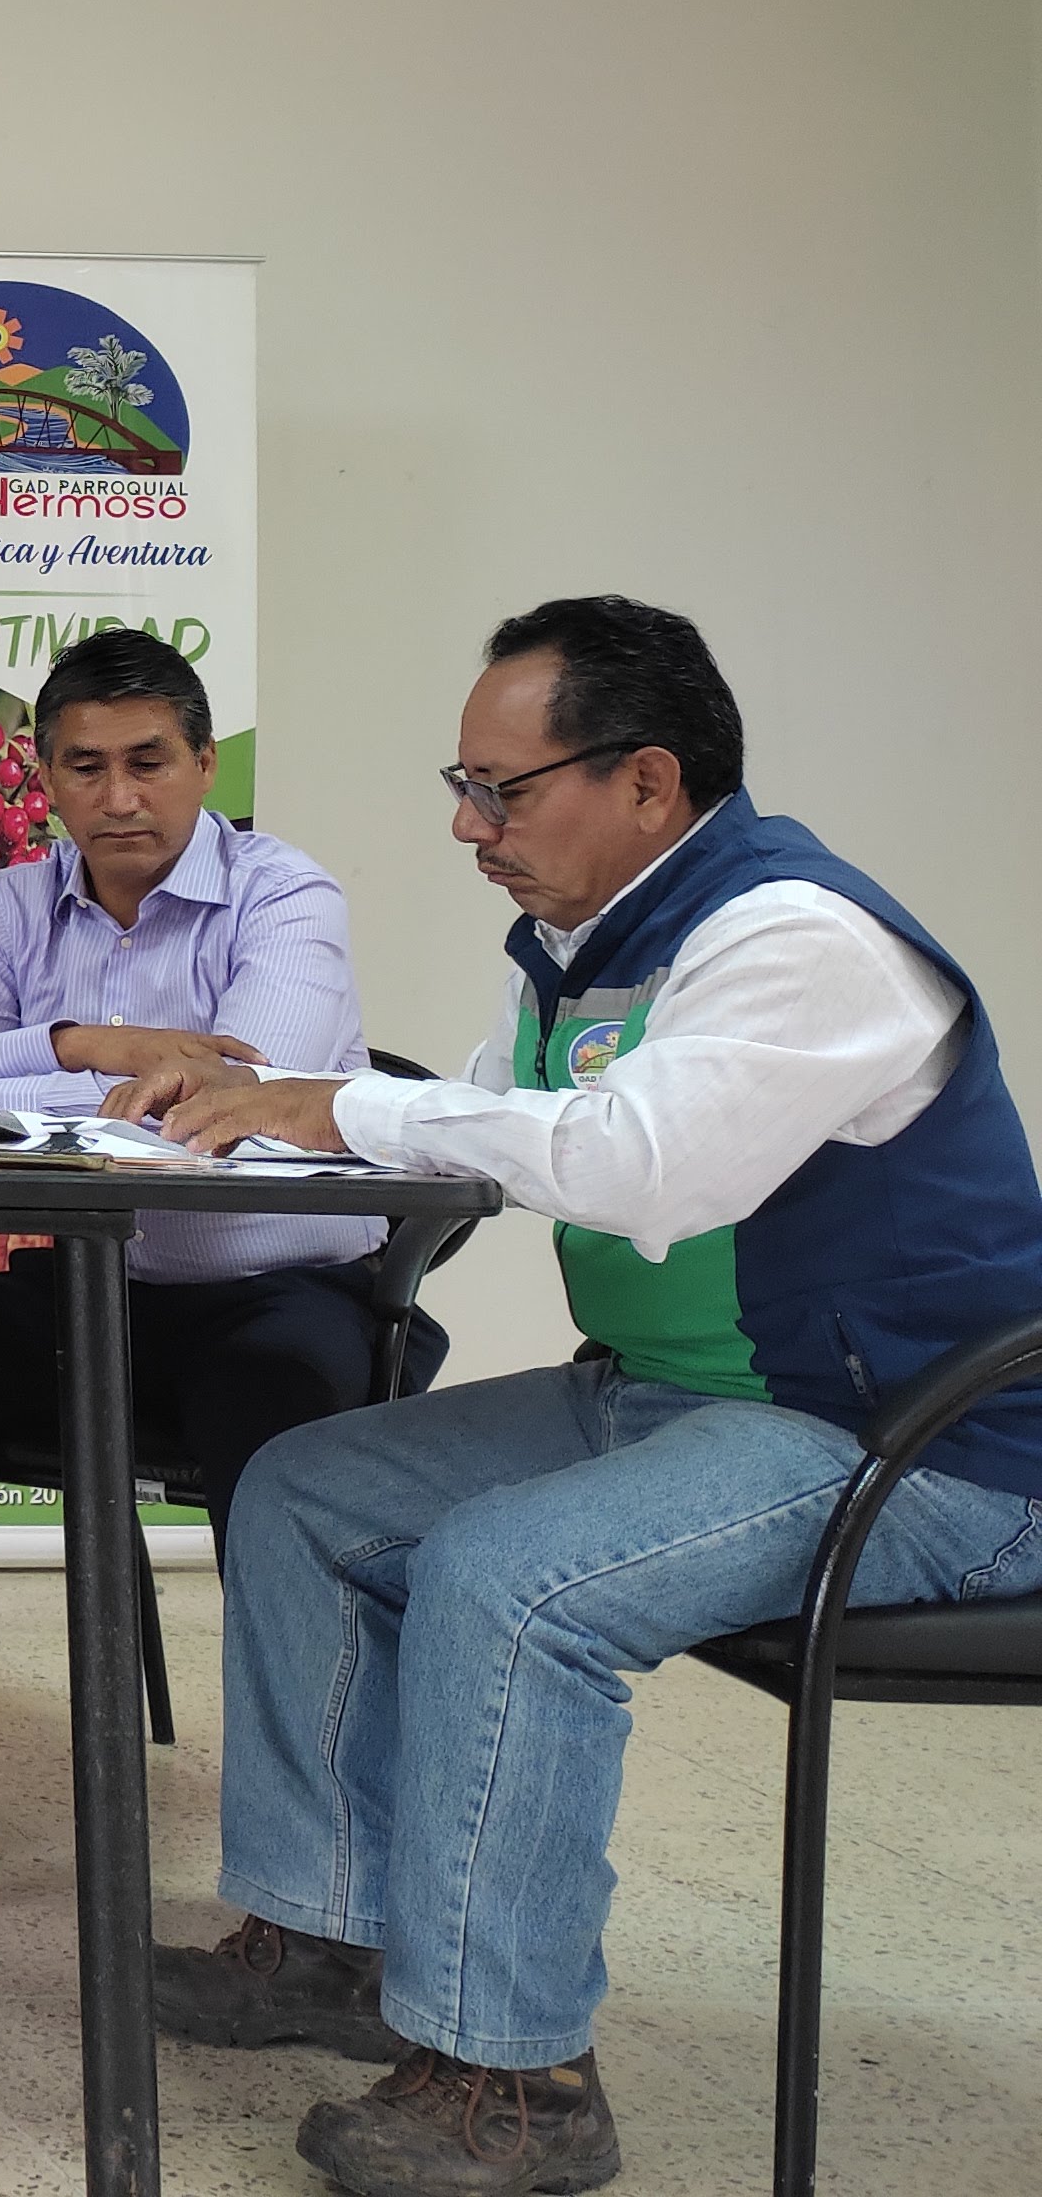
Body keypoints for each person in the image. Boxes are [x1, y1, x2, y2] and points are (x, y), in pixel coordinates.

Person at [121, 598, 1042, 2197]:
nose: (470, 827)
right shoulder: (578, 948)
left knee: (512, 1581)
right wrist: (271, 1114)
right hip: (676, 1396)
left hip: (915, 1445)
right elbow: (499, 1128)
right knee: (307, 1491)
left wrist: (345, 1108)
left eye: (503, 791)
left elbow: (640, 1169)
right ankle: (333, 1944)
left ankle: (520, 2081)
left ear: (649, 781)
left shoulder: (800, 939)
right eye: (463, 787)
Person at [0, 625, 401, 1883]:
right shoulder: (15, 901)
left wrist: (5, 1073)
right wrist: (83, 1044)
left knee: (278, 1411)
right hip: (91, 1291)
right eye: (85, 767)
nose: (118, 797)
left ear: (204, 766)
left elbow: (238, 1086)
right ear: (43, 778)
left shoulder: (285, 895)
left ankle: (322, 1848)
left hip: (277, 1295)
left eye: (148, 761)